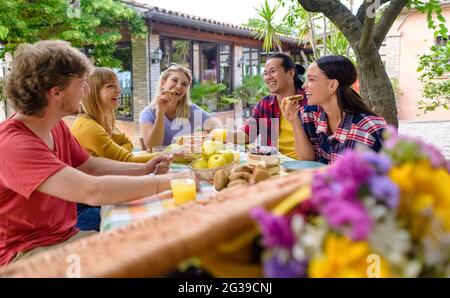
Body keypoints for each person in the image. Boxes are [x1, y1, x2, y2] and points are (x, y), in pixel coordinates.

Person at [0, 40, 191, 266]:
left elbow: (90, 165)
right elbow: (91, 190)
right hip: (26, 253)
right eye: (82, 84)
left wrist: (143, 169)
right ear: (56, 92)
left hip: (64, 236)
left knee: (158, 243)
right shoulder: (13, 144)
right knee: (149, 260)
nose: (87, 90)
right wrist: (171, 181)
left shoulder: (56, 126)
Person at [70, 67, 159, 231]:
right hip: (81, 209)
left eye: (117, 84)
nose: (119, 89)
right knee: (138, 224)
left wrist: (114, 155)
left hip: (99, 195)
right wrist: (166, 154)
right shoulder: (88, 127)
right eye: (110, 86)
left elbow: (127, 143)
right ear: (93, 92)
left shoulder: (102, 119)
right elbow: (128, 159)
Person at [281, 55, 388, 165]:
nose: (304, 86)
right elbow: (307, 158)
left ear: (332, 85)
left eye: (311, 79)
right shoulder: (310, 114)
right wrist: (295, 123)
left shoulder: (368, 128)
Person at [234, 53, 307, 159]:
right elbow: (248, 134)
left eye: (273, 71)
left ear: (290, 73)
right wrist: (221, 135)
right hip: (275, 164)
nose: (268, 77)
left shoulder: (310, 101)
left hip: (306, 166)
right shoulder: (265, 104)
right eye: (265, 73)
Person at [139, 64, 216, 149]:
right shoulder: (147, 114)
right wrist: (160, 112)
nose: (179, 86)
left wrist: (201, 137)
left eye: (184, 84)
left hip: (187, 161)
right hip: (162, 161)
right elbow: (152, 148)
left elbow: (217, 129)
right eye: (174, 80)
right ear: (162, 83)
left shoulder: (192, 110)